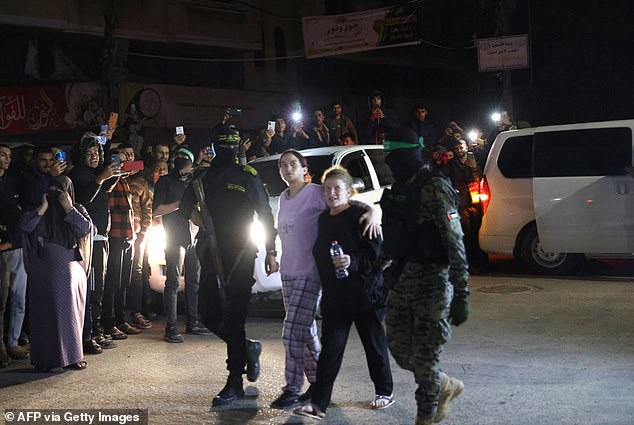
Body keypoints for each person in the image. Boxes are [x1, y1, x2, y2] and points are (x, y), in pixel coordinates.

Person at [270, 150, 381, 410]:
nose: (288, 169)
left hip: (310, 272)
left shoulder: (315, 193)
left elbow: (344, 201)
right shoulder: (284, 198)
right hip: (288, 271)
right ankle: (320, 386)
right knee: (306, 332)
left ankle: (291, 389)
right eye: (283, 165)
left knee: (292, 332)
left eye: (293, 164)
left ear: (303, 167)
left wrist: (373, 210)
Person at [180, 126, 278, 407]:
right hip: (210, 250)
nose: (229, 149)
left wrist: (271, 251)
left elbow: (265, 214)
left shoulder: (247, 176)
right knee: (207, 313)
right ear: (214, 146)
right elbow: (186, 206)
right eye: (224, 144)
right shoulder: (203, 177)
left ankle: (234, 381)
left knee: (234, 316)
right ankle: (247, 347)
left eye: (232, 144)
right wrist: (197, 217)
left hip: (241, 252)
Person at [379, 135, 470, 425]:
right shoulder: (399, 189)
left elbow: (454, 239)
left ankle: (425, 416)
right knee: (402, 351)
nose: (391, 163)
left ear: (412, 156)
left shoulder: (435, 187)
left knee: (426, 355)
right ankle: (445, 385)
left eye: (395, 157)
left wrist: (461, 292)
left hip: (433, 281)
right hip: (404, 279)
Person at [294, 166, 394, 420]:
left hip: (365, 294)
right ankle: (319, 404)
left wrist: (352, 261)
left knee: (374, 344)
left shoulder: (361, 214)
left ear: (349, 191)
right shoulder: (324, 219)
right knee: (331, 350)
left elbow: (378, 253)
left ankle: (385, 391)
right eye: (327, 189)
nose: (331, 193)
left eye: (337, 188)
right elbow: (319, 253)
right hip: (336, 296)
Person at [20, 180, 92, 372]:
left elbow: (84, 229)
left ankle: (73, 356)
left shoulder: (76, 208)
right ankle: (47, 359)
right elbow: (26, 227)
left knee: (71, 313)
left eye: (59, 190)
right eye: (50, 190)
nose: (54, 193)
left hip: (72, 267)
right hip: (43, 268)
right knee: (45, 313)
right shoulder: (39, 210)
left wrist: (68, 206)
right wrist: (42, 208)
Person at [153, 148, 211, 343]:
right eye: (178, 160)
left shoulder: (195, 182)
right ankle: (171, 327)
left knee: (194, 282)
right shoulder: (165, 182)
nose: (182, 164)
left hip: (193, 236)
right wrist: (180, 204)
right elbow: (156, 210)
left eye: (186, 161)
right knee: (173, 282)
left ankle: (192, 322)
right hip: (174, 236)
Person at [68, 134, 119, 352]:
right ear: (81, 156)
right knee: (91, 289)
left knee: (98, 289)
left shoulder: (91, 175)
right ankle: (87, 336)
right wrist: (100, 179)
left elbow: (99, 194)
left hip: (101, 238)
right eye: (89, 154)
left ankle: (95, 331)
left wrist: (111, 177)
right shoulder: (77, 175)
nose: (94, 157)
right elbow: (82, 200)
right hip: (88, 239)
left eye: (97, 153)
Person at [0, 144, 29, 366]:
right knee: (1, 303)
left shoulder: (13, 181)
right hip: (2, 248)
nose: (6, 159)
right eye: (2, 155)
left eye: (9, 155)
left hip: (17, 246)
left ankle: (12, 342)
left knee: (18, 298)